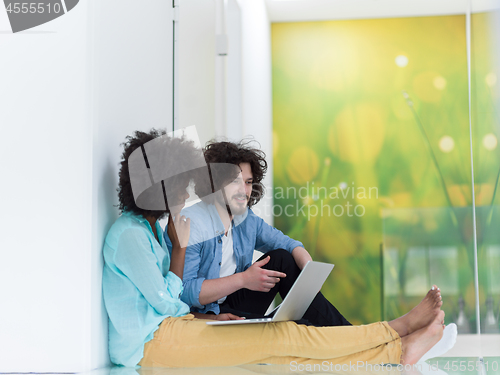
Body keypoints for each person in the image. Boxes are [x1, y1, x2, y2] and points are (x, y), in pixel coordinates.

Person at [103, 129, 446, 368]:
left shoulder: (150, 229)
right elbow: (167, 301)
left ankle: (393, 344)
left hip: (176, 327)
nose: (185, 192)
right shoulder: (134, 234)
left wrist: (303, 263)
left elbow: (168, 301)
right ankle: (396, 339)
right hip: (149, 344)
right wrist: (198, 291)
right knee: (281, 340)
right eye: (180, 184)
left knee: (283, 342)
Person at [176, 140, 350, 325]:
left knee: (282, 258)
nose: (244, 190)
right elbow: (185, 292)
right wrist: (243, 279)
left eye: (248, 182)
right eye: (235, 182)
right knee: (295, 326)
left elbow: (287, 244)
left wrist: (309, 273)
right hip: (205, 314)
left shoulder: (246, 219)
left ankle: (349, 334)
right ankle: (347, 335)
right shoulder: (192, 222)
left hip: (233, 303)